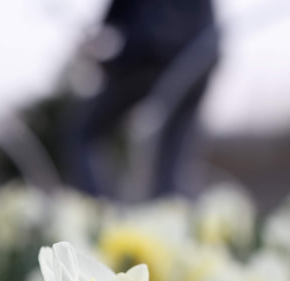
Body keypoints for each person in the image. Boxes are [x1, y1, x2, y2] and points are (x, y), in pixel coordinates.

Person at [65, 0, 218, 199]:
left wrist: (105, 60)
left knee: (83, 133)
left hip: (151, 58)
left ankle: (99, 210)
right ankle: (171, 210)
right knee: (172, 151)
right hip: (199, 57)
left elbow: (118, 24)